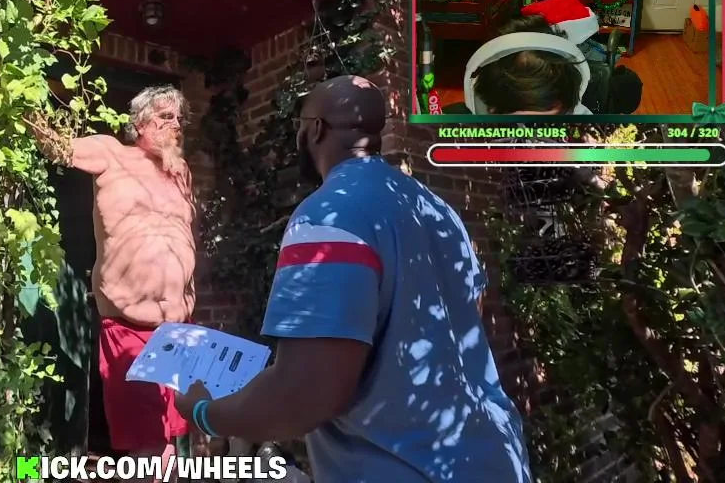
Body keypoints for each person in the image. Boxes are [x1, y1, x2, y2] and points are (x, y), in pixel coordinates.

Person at [175, 75, 533, 483]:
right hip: (497, 458)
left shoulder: (328, 215)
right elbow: (467, 319)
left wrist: (203, 411)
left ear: (314, 129)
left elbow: (305, 395)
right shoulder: (440, 211)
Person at [31, 85, 197, 475]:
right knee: (146, 452)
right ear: (139, 122)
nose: (176, 125)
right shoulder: (111, 154)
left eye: (179, 118)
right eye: (165, 116)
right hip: (130, 327)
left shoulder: (181, 172)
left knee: (173, 444)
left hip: (179, 329)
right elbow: (52, 143)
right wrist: (15, 93)